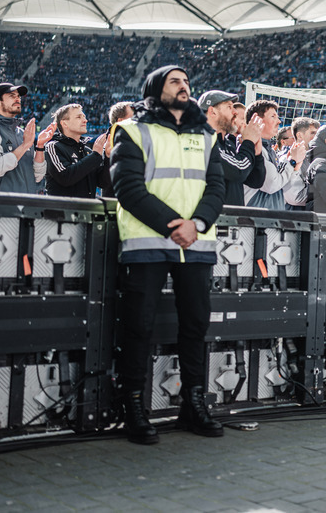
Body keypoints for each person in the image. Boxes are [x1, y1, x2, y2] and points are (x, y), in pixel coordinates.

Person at [110, 65, 226, 445]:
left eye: (187, 82)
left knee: (195, 327)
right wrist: (174, 225)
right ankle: (134, 408)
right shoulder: (131, 130)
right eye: (175, 81)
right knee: (138, 327)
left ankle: (193, 404)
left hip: (196, 245)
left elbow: (216, 187)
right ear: (155, 89)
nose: (183, 87)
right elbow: (127, 187)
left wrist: (197, 224)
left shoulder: (207, 135)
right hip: (147, 244)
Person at [0, 83, 55, 193]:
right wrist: (24, 146)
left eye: (18, 96)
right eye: (11, 96)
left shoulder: (21, 133)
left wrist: (40, 146)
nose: (17, 98)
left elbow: (38, 176)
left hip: (26, 205)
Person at [199, 90, 263, 207]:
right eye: (229, 107)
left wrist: (257, 154)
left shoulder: (228, 144)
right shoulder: (203, 141)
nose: (235, 112)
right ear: (212, 112)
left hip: (233, 221)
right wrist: (248, 142)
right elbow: (238, 171)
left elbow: (256, 181)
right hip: (213, 220)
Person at [243, 99, 304, 210]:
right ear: (258, 119)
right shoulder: (254, 148)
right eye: (273, 116)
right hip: (257, 220)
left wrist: (295, 166)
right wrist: (292, 161)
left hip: (271, 219)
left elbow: (283, 185)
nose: (279, 121)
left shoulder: (268, 149)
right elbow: (272, 185)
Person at [44, 104, 108, 198]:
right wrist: (94, 156)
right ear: (64, 124)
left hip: (86, 211)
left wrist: (108, 157)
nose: (85, 120)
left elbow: (103, 182)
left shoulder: (88, 151)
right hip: (62, 211)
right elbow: (65, 177)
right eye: (78, 117)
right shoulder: (53, 147)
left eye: (84, 117)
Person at [280, 116, 319, 210]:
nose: (317, 137)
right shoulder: (287, 160)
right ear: (299, 136)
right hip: (295, 218)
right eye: (313, 133)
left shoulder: (314, 158)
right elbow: (296, 197)